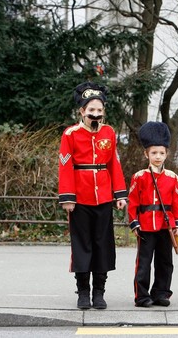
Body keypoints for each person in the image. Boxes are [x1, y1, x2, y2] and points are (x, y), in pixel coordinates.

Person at [58, 81, 128, 310]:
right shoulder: (70, 134)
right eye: (91, 111)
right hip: (79, 199)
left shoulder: (109, 133)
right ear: (82, 111)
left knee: (103, 244)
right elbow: (65, 166)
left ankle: (99, 292)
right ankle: (83, 292)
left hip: (105, 198)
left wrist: (120, 194)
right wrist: (67, 197)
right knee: (82, 245)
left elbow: (114, 164)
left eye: (99, 111)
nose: (95, 115)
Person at [128, 122, 178, 308]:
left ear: (166, 154)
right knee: (143, 263)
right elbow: (133, 202)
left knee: (165, 262)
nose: (157, 156)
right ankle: (142, 296)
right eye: (153, 153)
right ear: (146, 154)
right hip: (145, 226)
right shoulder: (139, 177)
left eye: (161, 153)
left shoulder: (172, 177)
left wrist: (177, 224)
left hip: (165, 226)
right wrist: (134, 223)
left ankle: (161, 293)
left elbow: (177, 203)